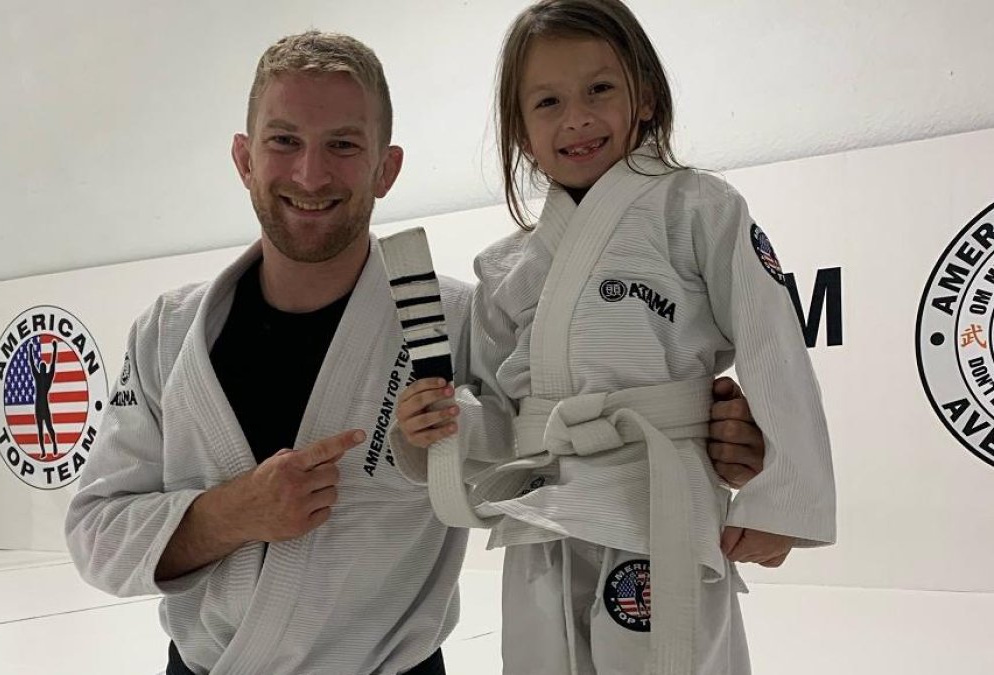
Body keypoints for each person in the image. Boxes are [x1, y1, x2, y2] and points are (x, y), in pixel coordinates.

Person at [65, 30, 768, 675]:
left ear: (386, 168)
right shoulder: (169, 333)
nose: (311, 175)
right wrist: (233, 513)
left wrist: (706, 436)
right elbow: (97, 534)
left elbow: (570, 444)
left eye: (343, 144)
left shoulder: (460, 320)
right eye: (284, 141)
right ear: (245, 159)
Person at [394, 2, 836, 673]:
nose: (576, 117)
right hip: (541, 510)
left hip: (656, 499)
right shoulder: (505, 266)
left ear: (647, 95)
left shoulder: (698, 209)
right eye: (547, 102)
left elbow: (772, 339)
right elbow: (496, 412)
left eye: (599, 89)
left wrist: (783, 497)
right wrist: (442, 427)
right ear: (520, 131)